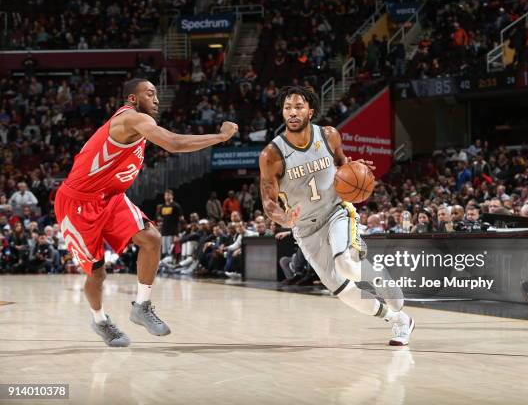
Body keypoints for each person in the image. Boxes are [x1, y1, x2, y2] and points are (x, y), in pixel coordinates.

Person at [55, 78, 238, 346]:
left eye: (156, 95)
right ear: (132, 99)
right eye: (150, 94)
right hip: (78, 203)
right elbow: (174, 143)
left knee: (151, 239)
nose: (156, 99)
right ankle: (100, 321)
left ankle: (141, 306)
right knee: (97, 273)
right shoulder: (131, 119)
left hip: (111, 198)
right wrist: (221, 137)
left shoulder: (141, 126)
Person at [259, 86, 414, 346]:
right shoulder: (271, 155)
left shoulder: (329, 135)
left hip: (336, 213)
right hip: (305, 230)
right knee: (344, 292)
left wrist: (356, 168)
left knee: (346, 264)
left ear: (311, 111)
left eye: (298, 106)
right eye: (288, 107)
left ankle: (379, 275)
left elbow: (342, 165)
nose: (293, 112)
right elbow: (268, 201)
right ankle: (399, 321)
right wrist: (282, 218)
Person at [156, 189, 183, 259]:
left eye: (168, 195)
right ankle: (166, 266)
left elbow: (180, 220)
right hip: (164, 232)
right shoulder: (162, 207)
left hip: (173, 232)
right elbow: (160, 218)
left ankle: (172, 266)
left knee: (172, 250)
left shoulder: (176, 206)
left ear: (172, 196)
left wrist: (178, 233)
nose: (167, 196)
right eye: (166, 195)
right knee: (165, 251)